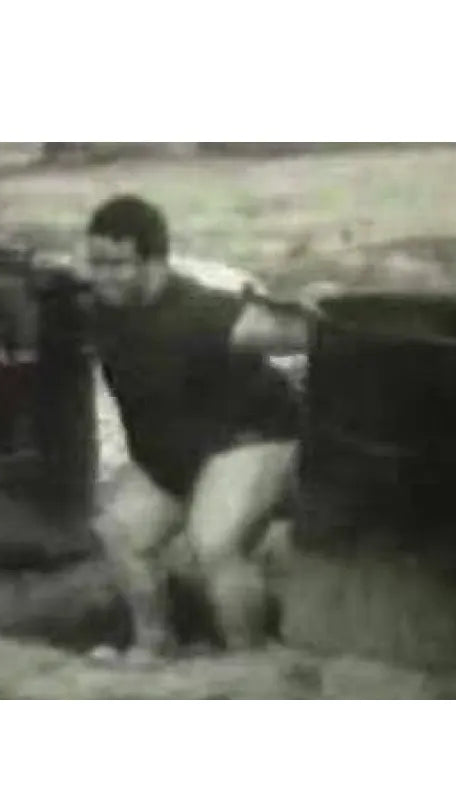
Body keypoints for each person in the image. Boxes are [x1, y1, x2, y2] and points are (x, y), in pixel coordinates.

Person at [52, 194, 333, 662]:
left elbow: (301, 332)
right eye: (96, 262)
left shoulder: (199, 312)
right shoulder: (99, 307)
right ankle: (154, 644)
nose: (104, 276)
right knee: (120, 532)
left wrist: (314, 308)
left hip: (253, 438)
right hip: (178, 454)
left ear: (156, 260)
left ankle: (249, 661)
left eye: (117, 264)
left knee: (214, 543)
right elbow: (50, 280)